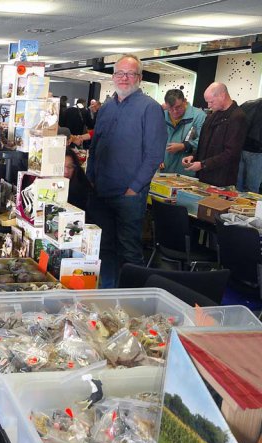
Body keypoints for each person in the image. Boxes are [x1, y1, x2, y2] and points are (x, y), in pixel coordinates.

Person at [86, 54, 167, 288]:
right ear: (113, 77)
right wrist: (91, 178)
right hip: (101, 192)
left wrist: (134, 188)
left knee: (129, 252)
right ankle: (108, 295)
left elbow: (154, 155)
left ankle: (134, 299)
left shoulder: (150, 108)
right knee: (104, 249)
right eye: (120, 73)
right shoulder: (107, 107)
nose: (124, 78)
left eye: (130, 73)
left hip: (128, 195)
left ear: (139, 78)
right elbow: (96, 146)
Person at [182, 83, 248, 187]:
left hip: (222, 179)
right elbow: (204, 144)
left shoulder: (238, 117)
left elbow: (231, 153)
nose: (208, 106)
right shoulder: (212, 117)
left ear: (222, 95)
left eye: (211, 101)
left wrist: (203, 164)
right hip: (204, 176)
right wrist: (194, 157)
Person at [161, 89, 206, 176]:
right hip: (164, 169)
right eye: (170, 109)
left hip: (185, 171)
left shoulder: (199, 116)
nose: (174, 112)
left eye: (178, 107)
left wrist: (184, 146)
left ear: (185, 101)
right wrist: (156, 158)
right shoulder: (162, 115)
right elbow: (153, 140)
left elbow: (204, 141)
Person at [236, 97, 262, 192]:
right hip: (257, 150)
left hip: (240, 146)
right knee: (252, 188)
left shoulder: (247, 104)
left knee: (237, 185)